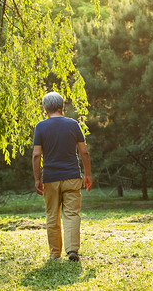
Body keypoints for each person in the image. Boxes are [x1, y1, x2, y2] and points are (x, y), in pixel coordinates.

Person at [32, 92, 92, 261]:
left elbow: (37, 155)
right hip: (72, 176)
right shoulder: (73, 125)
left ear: (45, 109)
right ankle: (72, 250)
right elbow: (84, 151)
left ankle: (55, 253)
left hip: (50, 178)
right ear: (62, 107)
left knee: (52, 215)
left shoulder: (41, 127)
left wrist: (37, 178)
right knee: (72, 214)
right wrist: (87, 174)